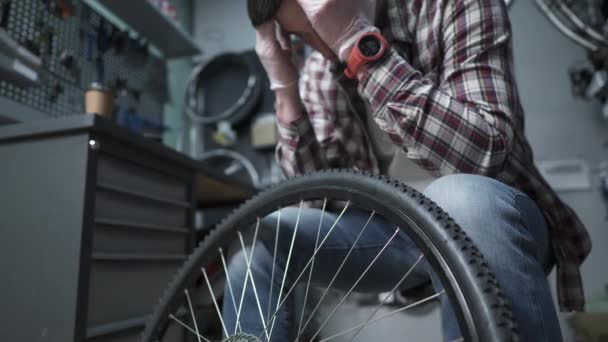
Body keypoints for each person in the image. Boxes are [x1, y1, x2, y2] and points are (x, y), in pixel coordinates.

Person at [222, 0, 592, 341]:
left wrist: (358, 43)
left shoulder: (453, 6)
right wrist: (285, 90)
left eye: (321, 20)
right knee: (262, 236)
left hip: (489, 214)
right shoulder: (319, 72)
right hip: (393, 234)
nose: (321, 44)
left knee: (459, 198)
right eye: (303, 35)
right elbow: (311, 199)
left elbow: (480, 155)